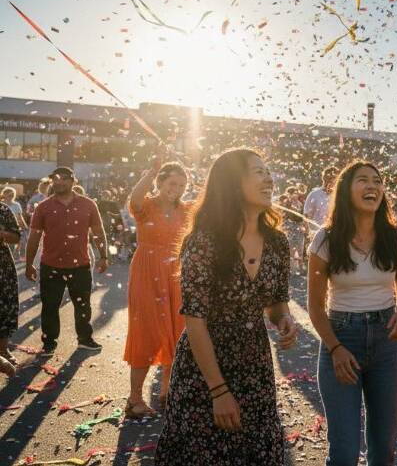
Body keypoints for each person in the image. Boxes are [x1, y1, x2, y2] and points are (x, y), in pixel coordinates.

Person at [155, 149, 298, 465]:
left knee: (259, 453)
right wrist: (218, 391)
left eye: (268, 171)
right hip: (203, 371)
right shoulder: (204, 241)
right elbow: (195, 319)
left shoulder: (278, 243)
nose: (269, 179)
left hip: (255, 368)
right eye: (259, 172)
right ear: (233, 182)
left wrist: (284, 319)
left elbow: (276, 301)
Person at [307, 161, 397, 466]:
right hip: (341, 340)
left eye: (377, 181)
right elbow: (315, 306)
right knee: (344, 453)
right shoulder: (325, 239)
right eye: (363, 180)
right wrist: (335, 348)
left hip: (386, 344)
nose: (372, 186)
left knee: (383, 451)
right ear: (346, 190)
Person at [123, 157, 193, 418]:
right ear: (160, 182)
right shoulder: (147, 206)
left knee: (178, 330)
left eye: (182, 185)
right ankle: (134, 399)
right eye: (173, 183)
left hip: (176, 273)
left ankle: (167, 392)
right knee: (146, 332)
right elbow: (134, 199)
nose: (177, 189)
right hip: (147, 272)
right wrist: (151, 171)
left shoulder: (186, 210)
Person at [25, 167, 109, 355]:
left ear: (73, 181)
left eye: (64, 178)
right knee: (50, 306)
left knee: (83, 305)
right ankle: (49, 343)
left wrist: (104, 256)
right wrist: (29, 264)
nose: (59, 182)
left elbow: (98, 231)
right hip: (51, 265)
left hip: (80, 265)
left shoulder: (88, 204)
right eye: (55, 179)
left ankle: (85, 339)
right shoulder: (43, 207)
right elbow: (33, 238)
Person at [0, 201, 22, 377]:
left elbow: (16, 237)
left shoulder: (3, 209)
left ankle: (2, 350)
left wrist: (2, 234)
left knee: (5, 306)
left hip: (2, 265)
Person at [1, 187, 26, 258]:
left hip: (12, 229)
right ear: (4, 195)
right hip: (2, 229)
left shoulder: (16, 205)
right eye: (9, 195)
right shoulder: (1, 205)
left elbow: (20, 217)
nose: (11, 197)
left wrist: (24, 227)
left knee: (11, 248)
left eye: (12, 195)